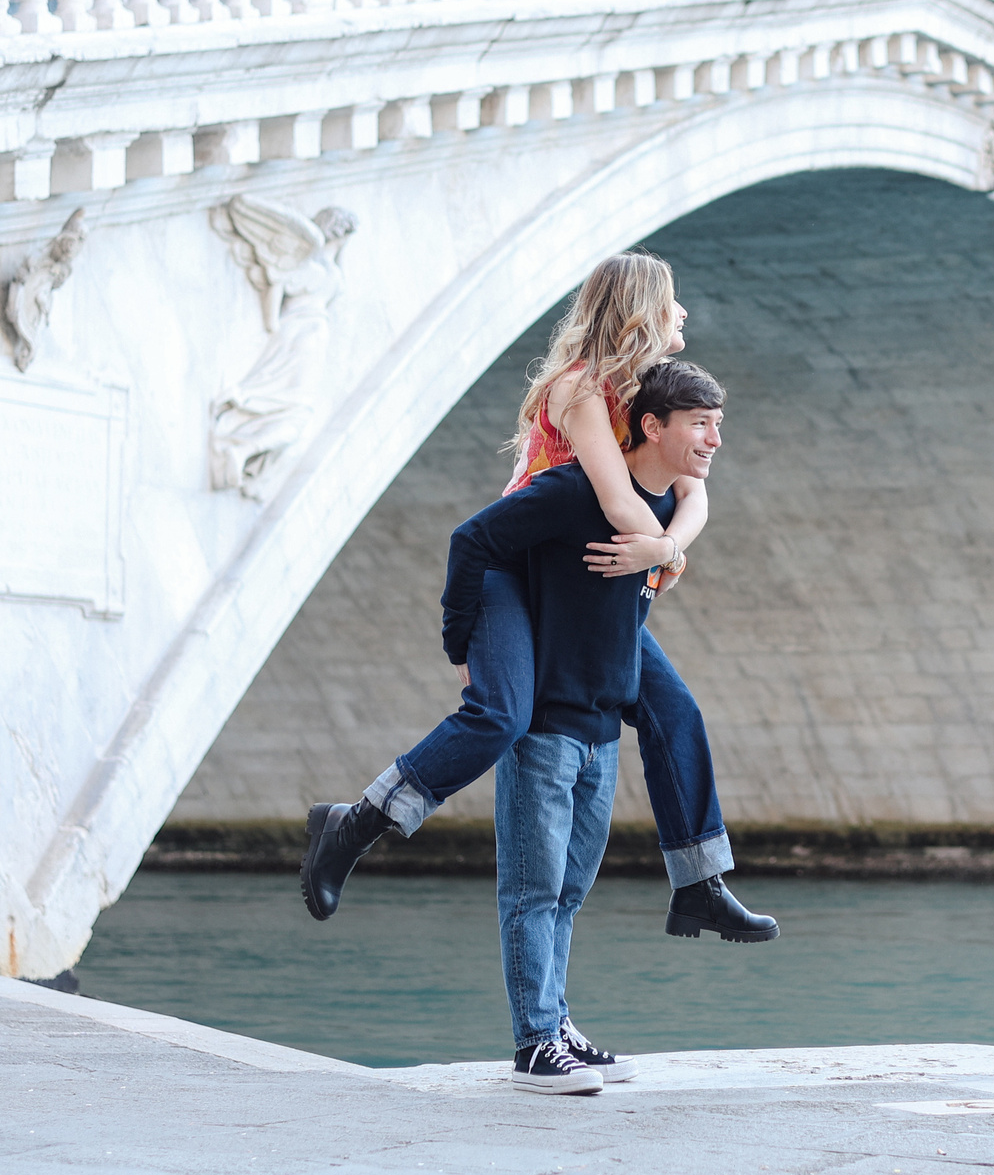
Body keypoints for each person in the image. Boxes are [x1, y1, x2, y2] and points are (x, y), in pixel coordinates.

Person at [300, 254, 776, 945]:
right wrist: (666, 551)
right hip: (515, 567)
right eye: (672, 302)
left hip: (578, 583)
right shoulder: (581, 389)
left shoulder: (650, 391)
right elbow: (615, 499)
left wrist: (666, 547)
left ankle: (700, 884)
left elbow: (692, 490)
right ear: (641, 308)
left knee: (674, 709)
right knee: (500, 714)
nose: (684, 314)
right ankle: (358, 821)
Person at [446, 360, 729, 1092]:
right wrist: (465, 649)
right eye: (700, 424)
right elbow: (473, 540)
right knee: (533, 891)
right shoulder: (574, 485)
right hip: (545, 727)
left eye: (715, 423)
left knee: (567, 890)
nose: (713, 440)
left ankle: (557, 1019)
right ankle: (534, 1042)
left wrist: (664, 548)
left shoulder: (661, 506)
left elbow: (691, 500)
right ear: (648, 426)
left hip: (600, 732)